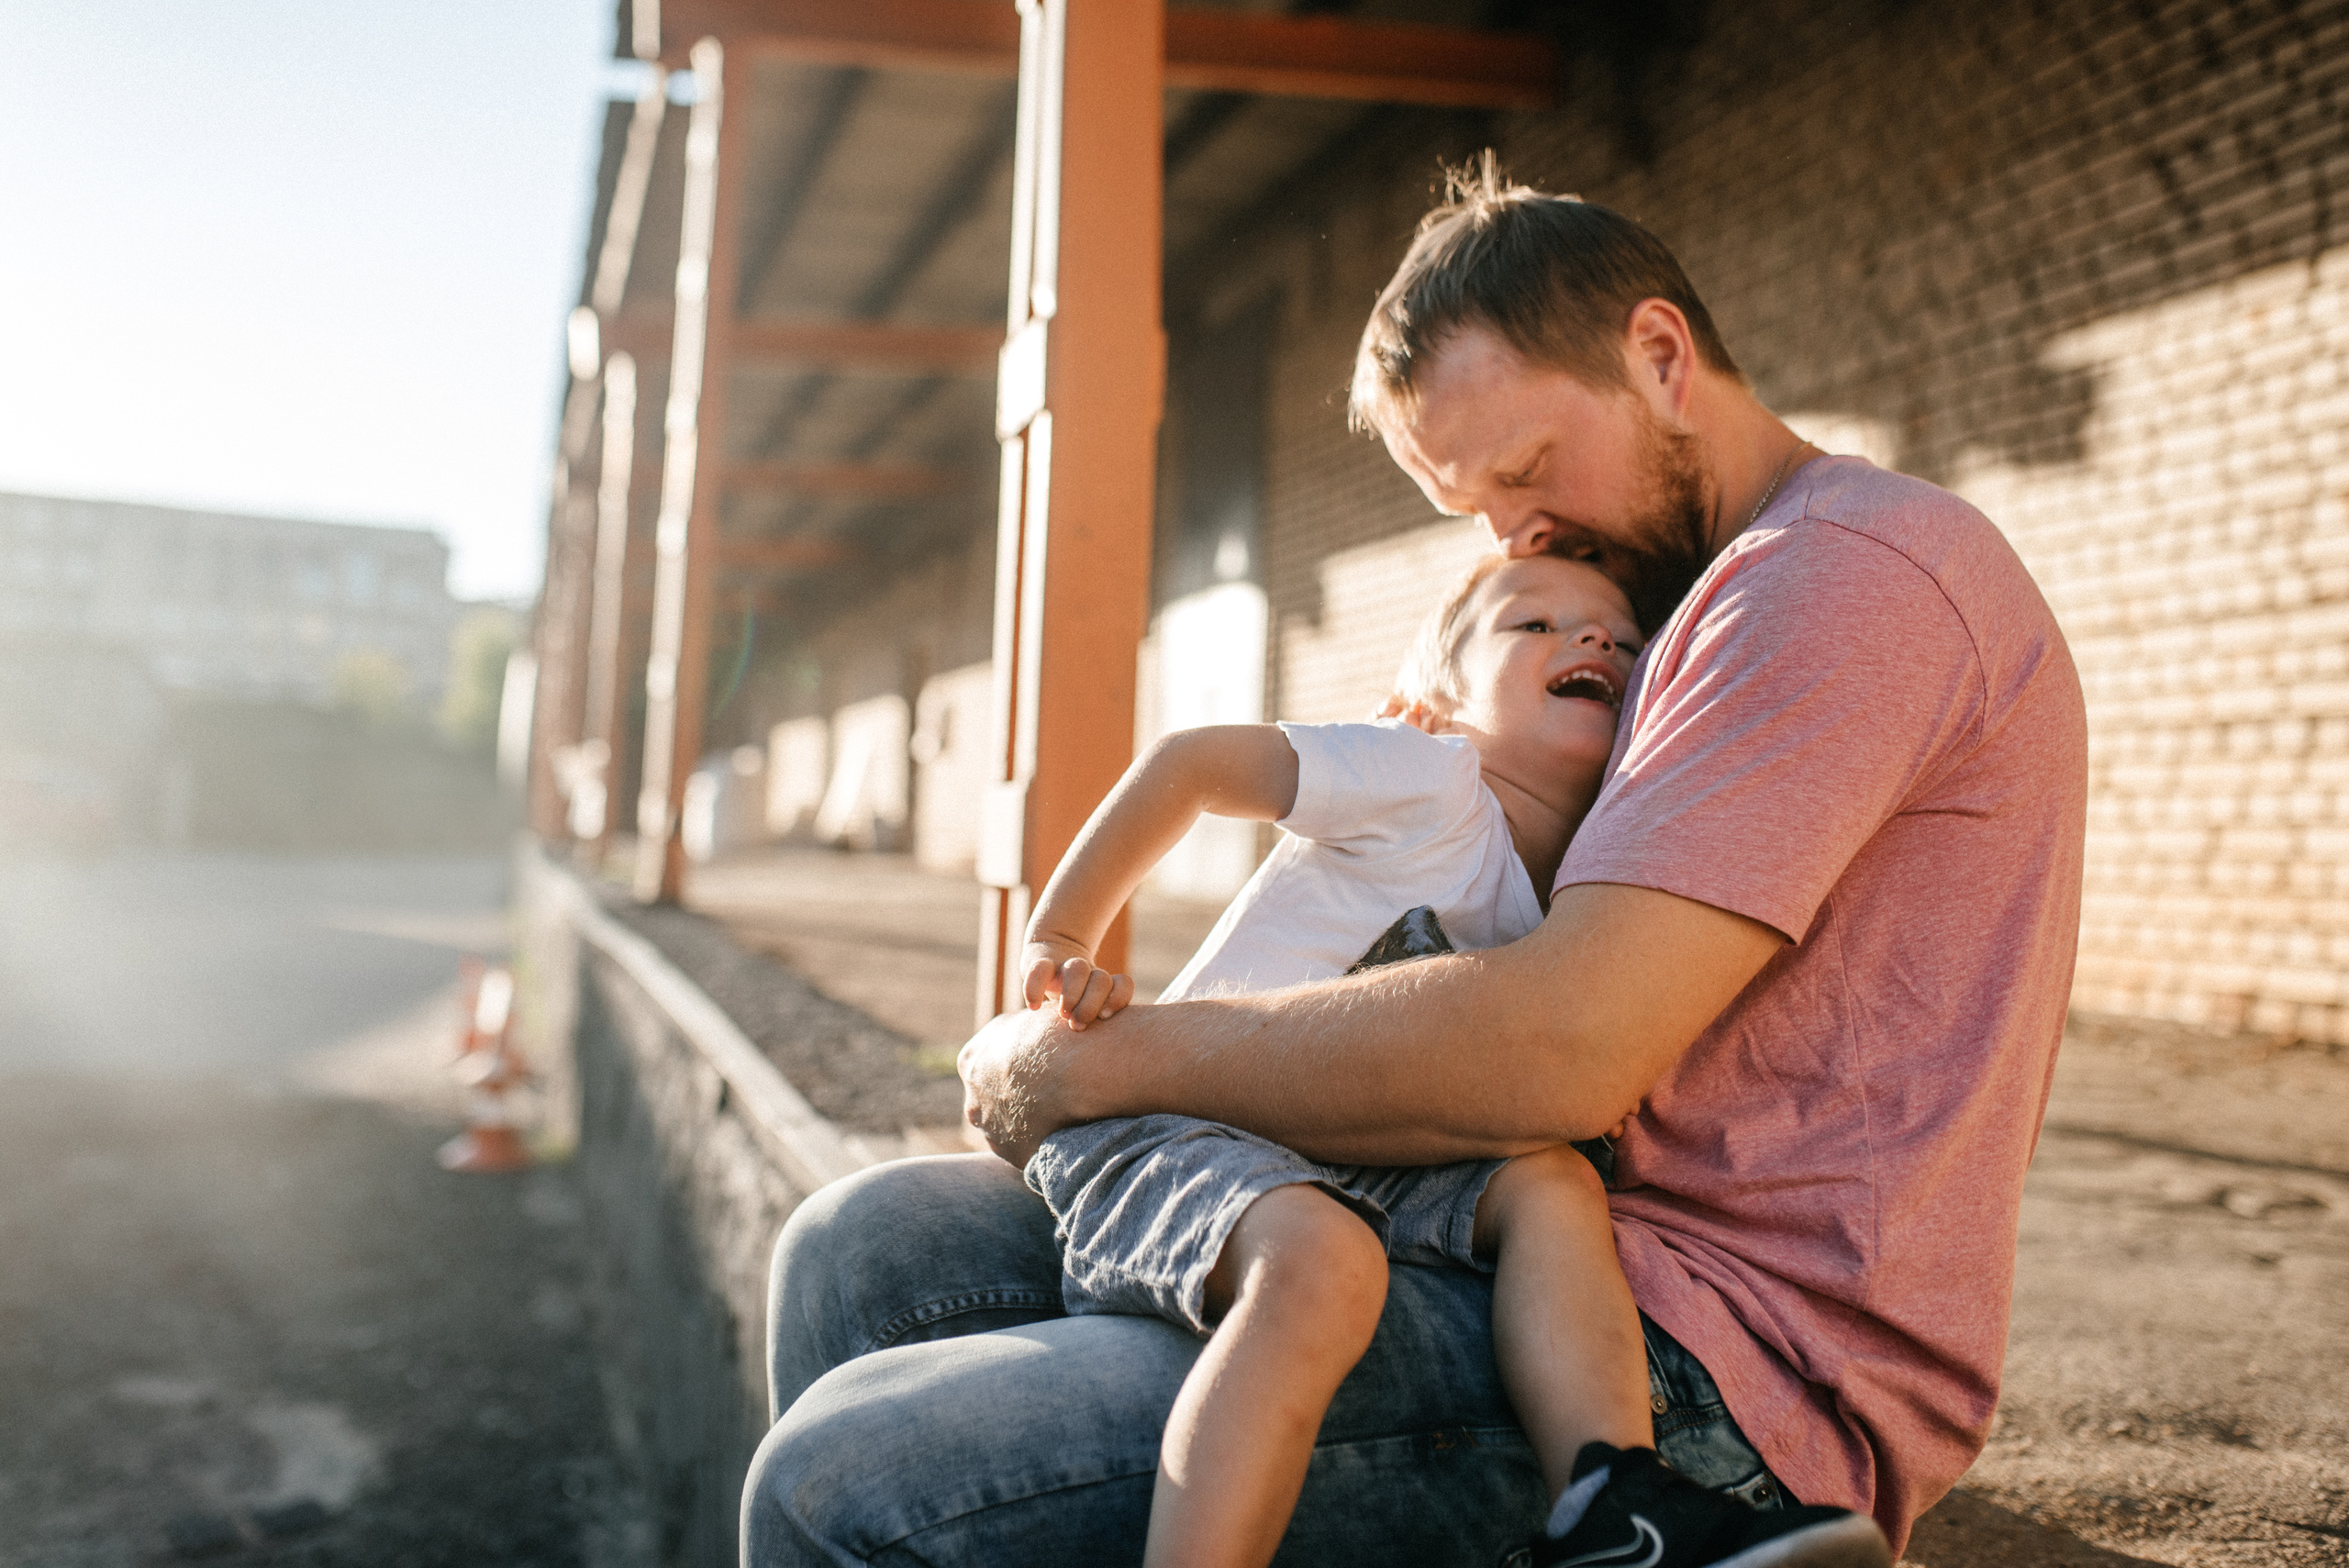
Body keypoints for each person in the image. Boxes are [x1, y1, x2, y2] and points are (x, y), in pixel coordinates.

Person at [744, 169, 2086, 1567]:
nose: (1521, 537)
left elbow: (1558, 1047)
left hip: (1720, 1364)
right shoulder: (1676, 615)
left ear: (1663, 358)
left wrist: (1109, 1062)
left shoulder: (1836, 580)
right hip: (1524, 1239)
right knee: (860, 1248)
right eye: (1479, 513)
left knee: (847, 1487)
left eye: (1523, 471)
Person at [1015, 550, 1887, 1568]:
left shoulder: (1587, 896)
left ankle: (1614, 1504)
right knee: (1322, 1265)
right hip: (1175, 1120)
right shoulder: (1426, 775)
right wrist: (1064, 935)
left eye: (1623, 636)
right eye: (1534, 624)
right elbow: (1192, 761)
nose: (1594, 637)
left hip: (1354, 1155)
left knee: (1554, 1183)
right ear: (1433, 698)